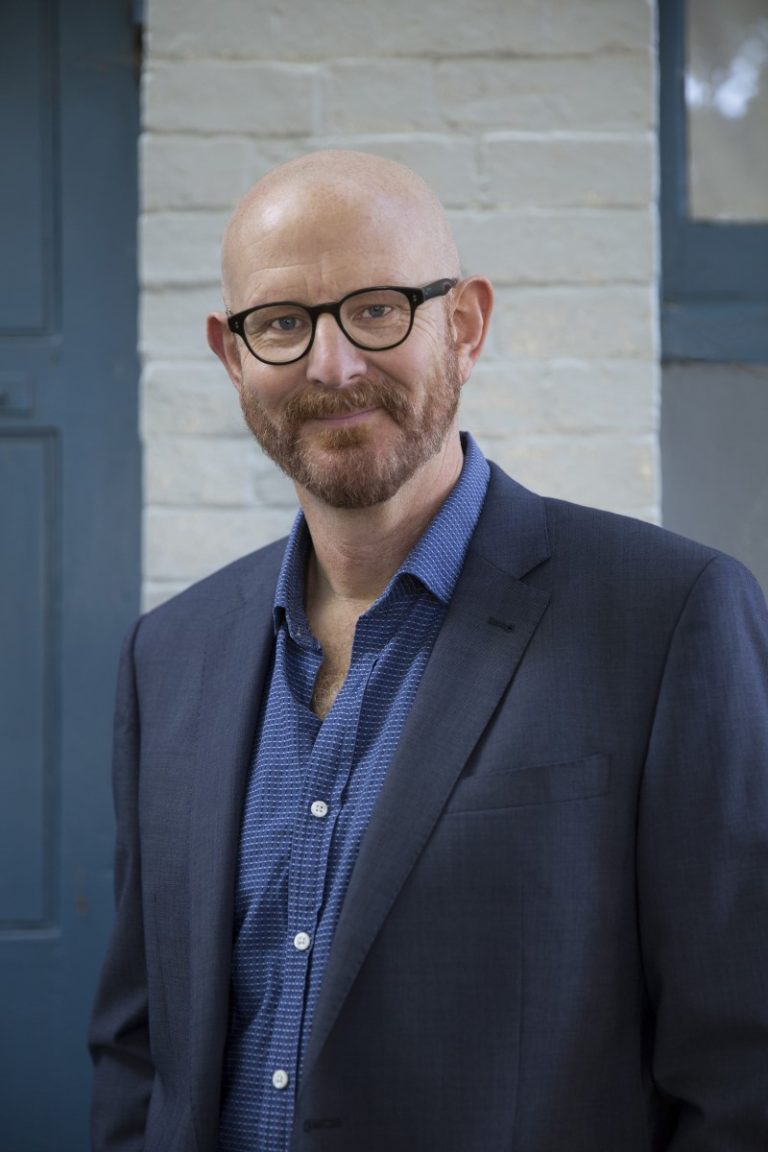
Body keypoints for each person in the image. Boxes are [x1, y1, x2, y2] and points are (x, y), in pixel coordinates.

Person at [89, 150, 768, 1152]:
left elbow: (742, 1070)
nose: (331, 366)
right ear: (232, 355)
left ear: (466, 325)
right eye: (282, 323)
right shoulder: (169, 656)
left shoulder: (670, 619)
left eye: (378, 309)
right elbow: (140, 1051)